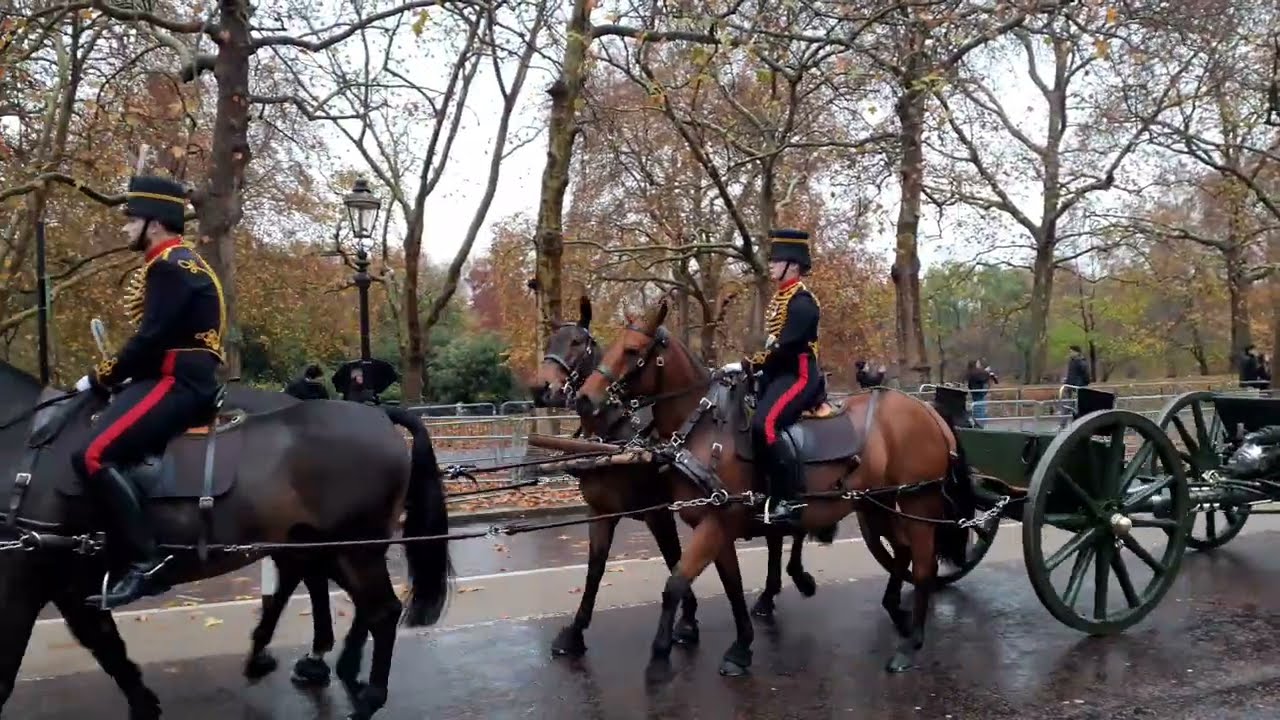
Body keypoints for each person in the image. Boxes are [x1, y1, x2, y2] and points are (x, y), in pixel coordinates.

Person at [69, 174, 226, 609]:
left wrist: (99, 377)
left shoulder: (168, 266)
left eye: (131, 220)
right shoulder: (183, 262)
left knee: (92, 454)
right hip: (173, 374)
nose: (125, 228)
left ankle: (146, 562)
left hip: (178, 381)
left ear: (153, 224)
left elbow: (150, 340)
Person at [748, 228, 825, 525]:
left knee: (764, 424)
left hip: (799, 375)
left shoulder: (802, 302)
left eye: (776, 260)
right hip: (779, 374)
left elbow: (787, 346)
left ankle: (790, 499)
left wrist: (756, 362)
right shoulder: (781, 298)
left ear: (792, 265)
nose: (770, 265)